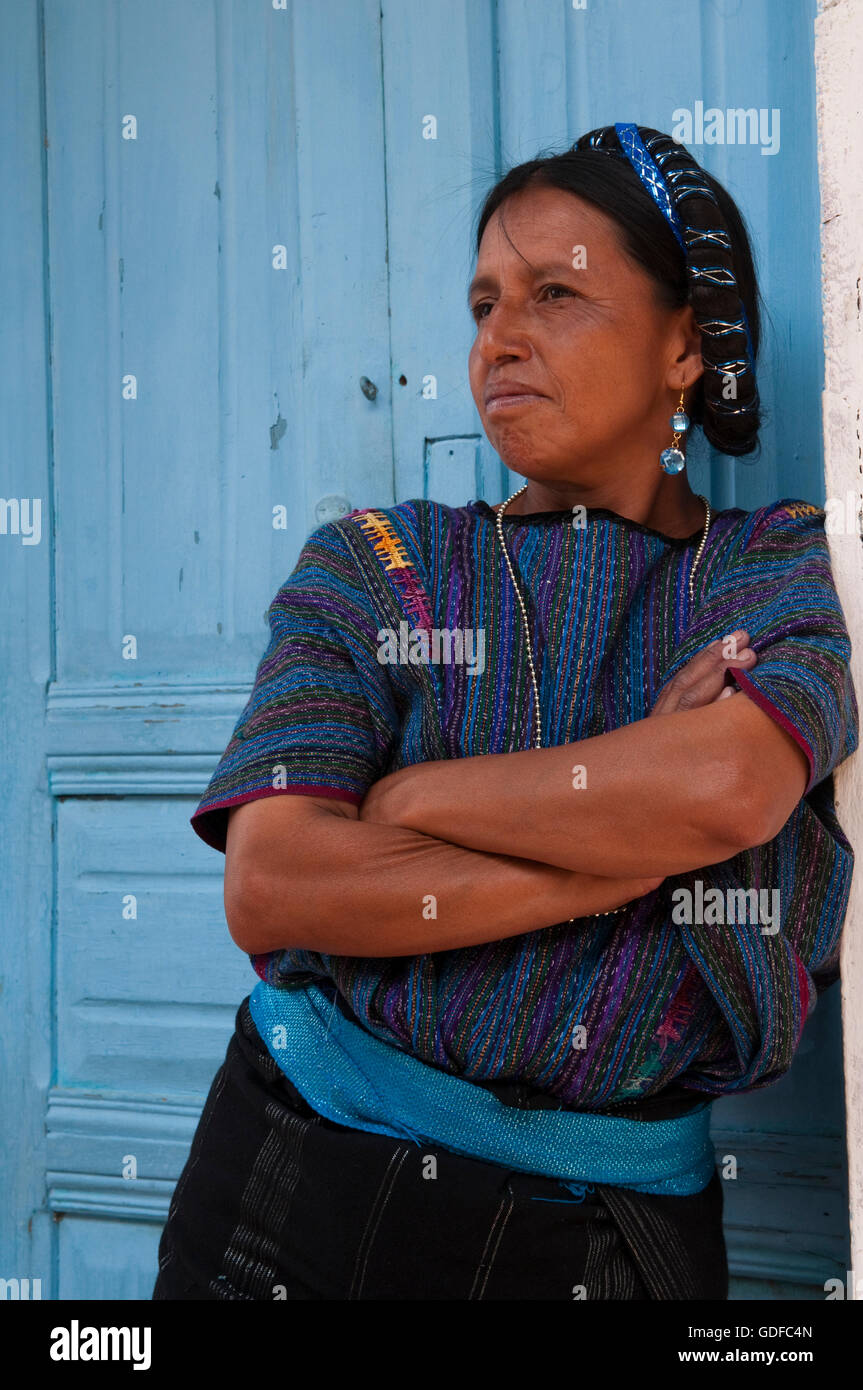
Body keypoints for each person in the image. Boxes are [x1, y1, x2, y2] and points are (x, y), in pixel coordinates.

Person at [153, 124, 858, 1301]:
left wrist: (416, 799)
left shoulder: (764, 568)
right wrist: (635, 852)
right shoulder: (381, 566)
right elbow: (277, 886)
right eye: (483, 303)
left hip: (610, 1237)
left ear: (684, 344)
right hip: (290, 1196)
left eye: (555, 294)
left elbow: (726, 787)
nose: (499, 340)